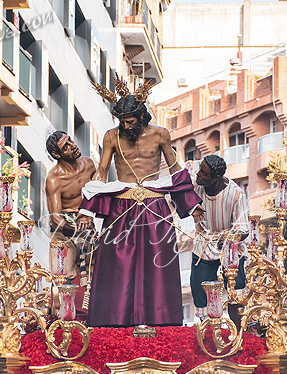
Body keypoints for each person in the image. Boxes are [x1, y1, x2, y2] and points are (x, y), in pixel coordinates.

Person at [81, 76, 203, 327]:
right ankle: (113, 321)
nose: (126, 125)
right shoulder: (111, 137)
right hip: (121, 205)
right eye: (122, 121)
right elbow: (101, 171)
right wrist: (87, 208)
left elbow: (175, 168)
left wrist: (191, 204)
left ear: (141, 116)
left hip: (154, 204)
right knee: (117, 263)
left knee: (158, 261)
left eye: (131, 120)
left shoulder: (160, 134)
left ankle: (161, 320)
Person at [190, 154, 248, 326]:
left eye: (204, 173)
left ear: (216, 178)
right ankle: (208, 331)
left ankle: (239, 332)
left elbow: (243, 229)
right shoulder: (196, 187)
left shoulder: (236, 194)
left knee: (235, 288)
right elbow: (179, 199)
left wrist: (227, 239)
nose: (198, 174)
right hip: (203, 243)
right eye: (200, 170)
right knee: (199, 288)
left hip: (230, 246)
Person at [45, 131, 96, 319]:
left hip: (88, 223)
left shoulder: (89, 164)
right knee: (64, 276)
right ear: (56, 154)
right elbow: (55, 218)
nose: (73, 146)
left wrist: (89, 215)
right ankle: (61, 320)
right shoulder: (54, 179)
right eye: (65, 146)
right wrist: (75, 232)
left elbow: (99, 193)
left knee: (94, 272)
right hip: (64, 230)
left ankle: (93, 318)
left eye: (70, 141)